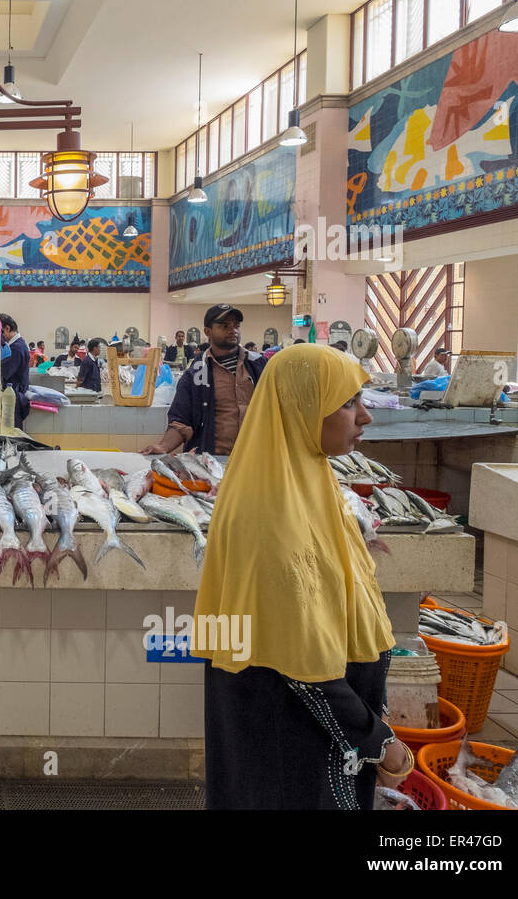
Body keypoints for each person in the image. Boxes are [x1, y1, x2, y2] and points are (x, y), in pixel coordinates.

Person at [193, 344, 407, 809]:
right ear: (301, 408)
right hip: (288, 737)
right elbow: (301, 665)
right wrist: (378, 741)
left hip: (314, 730)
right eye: (348, 403)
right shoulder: (269, 513)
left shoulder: (309, 479)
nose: (364, 417)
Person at [142, 304, 267, 456]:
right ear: (208, 331)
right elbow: (181, 421)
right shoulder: (196, 374)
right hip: (212, 460)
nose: (232, 330)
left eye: (236, 325)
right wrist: (163, 447)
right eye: (224, 325)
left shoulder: (259, 366)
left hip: (255, 458)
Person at [0, 313, 31, 427]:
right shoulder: (19, 345)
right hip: (14, 396)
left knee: (12, 434)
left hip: (14, 399)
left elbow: (5, 372)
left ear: (7, 328)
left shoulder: (16, 348)